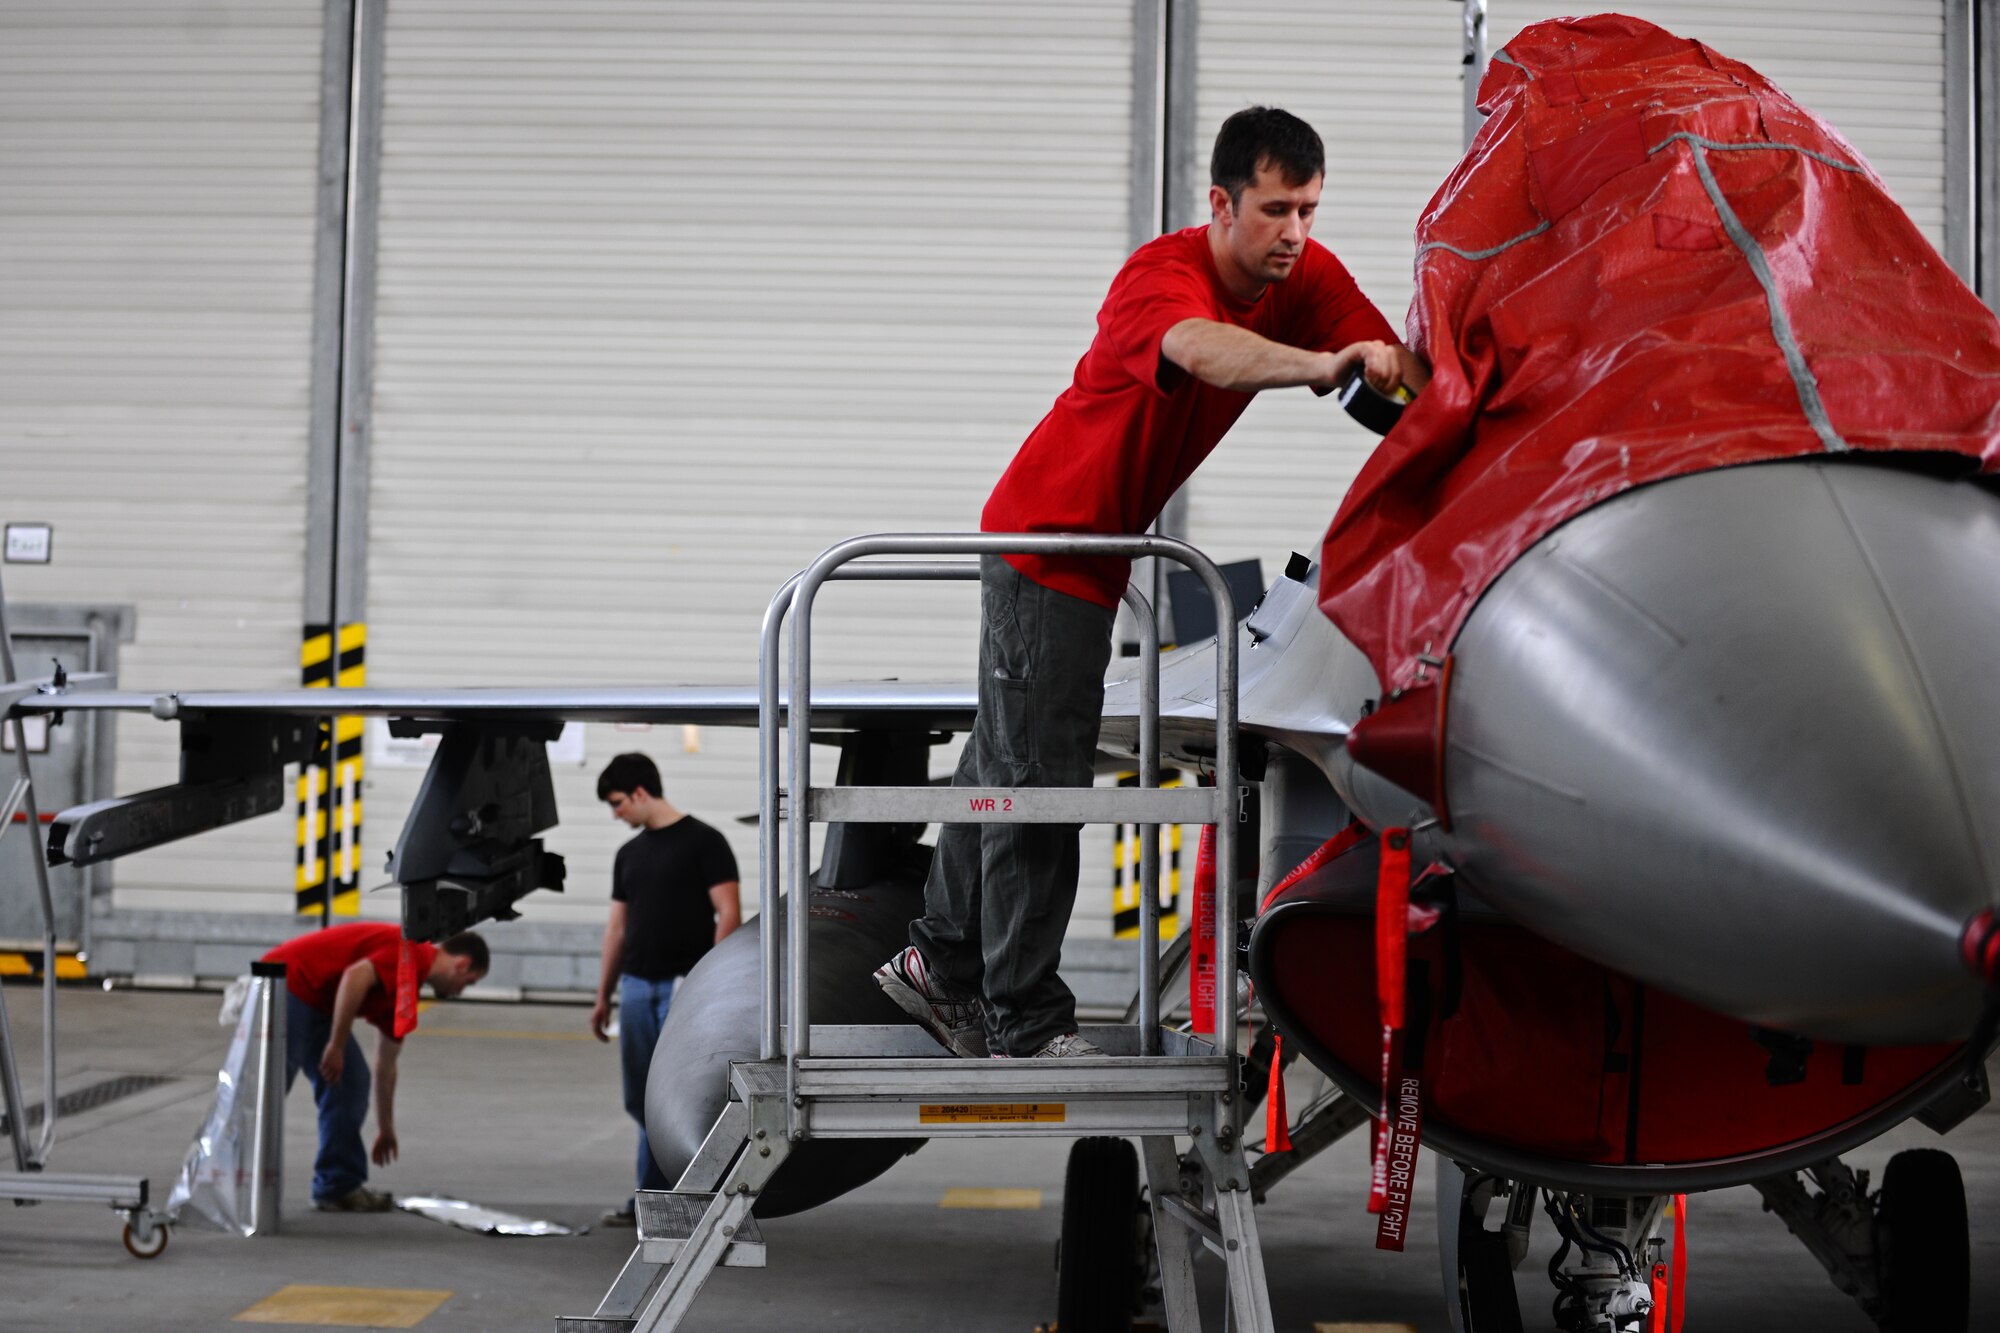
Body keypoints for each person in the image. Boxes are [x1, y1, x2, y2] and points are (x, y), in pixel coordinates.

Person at [876, 106, 1428, 1061]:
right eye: (1273, 210)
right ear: (1220, 204)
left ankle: (939, 962)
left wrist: (1418, 373)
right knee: (1035, 782)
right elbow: (1202, 349)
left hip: (1097, 550)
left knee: (1008, 755)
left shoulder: (1304, 273)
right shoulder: (1162, 277)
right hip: (1046, 538)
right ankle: (1020, 1019)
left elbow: (1390, 382)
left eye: (1308, 210)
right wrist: (1320, 364)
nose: (1295, 233)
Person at [591, 752, 742, 1224]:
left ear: (640, 793)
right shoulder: (628, 855)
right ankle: (654, 1199)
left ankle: (675, 1199)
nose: (616, 814)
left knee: (680, 1098)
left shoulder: (705, 842)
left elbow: (729, 913)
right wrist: (603, 995)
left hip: (684, 987)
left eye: (617, 803)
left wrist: (707, 984)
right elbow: (616, 929)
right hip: (637, 986)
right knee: (640, 1098)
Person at [261, 922, 489, 1211]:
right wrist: (336, 1045)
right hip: (289, 980)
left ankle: (337, 1187)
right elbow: (354, 977)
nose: (460, 991)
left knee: (351, 1082)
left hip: (317, 1000)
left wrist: (386, 1128)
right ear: (462, 964)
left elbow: (386, 1063)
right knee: (270, 1085)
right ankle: (232, 1175)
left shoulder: (407, 990)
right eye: (468, 983)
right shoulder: (412, 954)